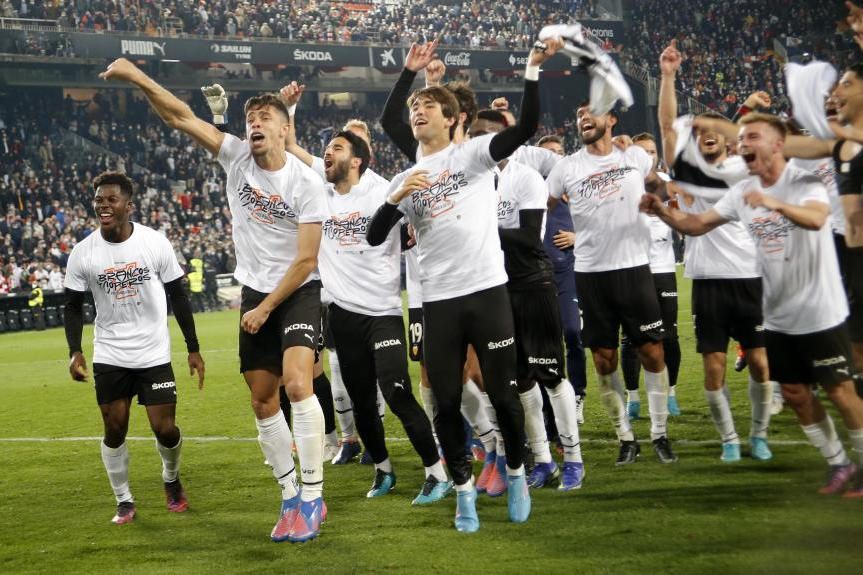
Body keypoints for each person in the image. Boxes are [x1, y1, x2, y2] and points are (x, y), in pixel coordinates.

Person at [101, 58, 328, 543]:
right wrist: (137, 76)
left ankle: (313, 496)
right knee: (262, 401)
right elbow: (180, 116)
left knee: (295, 384)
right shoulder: (237, 158)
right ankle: (288, 496)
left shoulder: (307, 183)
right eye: (251, 121)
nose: (255, 126)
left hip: (296, 291)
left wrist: (266, 307)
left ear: (287, 130)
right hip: (255, 292)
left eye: (266, 119)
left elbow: (307, 262)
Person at [367, 38, 564, 532]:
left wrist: (532, 69)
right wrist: (394, 200)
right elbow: (373, 236)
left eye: (427, 106)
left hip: (487, 291)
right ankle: (462, 492)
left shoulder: (474, 155)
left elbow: (528, 128)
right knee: (446, 402)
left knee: (503, 394)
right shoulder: (409, 174)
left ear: (452, 119)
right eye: (415, 108)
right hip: (437, 300)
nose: (417, 113)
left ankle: (516, 473)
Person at [641, 113, 863, 496]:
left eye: (752, 137)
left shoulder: (804, 181)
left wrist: (773, 203)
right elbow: (697, 224)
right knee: (794, 393)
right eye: (740, 139)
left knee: (841, 391)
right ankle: (839, 462)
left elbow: (816, 218)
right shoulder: (741, 191)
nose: (742, 145)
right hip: (777, 314)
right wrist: (662, 211)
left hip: (819, 310)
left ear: (778, 145)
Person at [63, 171, 205, 525]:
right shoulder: (83, 252)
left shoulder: (154, 243)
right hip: (110, 353)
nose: (103, 205)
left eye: (110, 200)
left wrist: (193, 347)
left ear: (129, 206)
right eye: (98, 199)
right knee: (115, 428)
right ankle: (124, 500)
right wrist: (74, 349)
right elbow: (71, 305)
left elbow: (178, 295)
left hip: (153, 353)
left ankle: (171, 479)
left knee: (165, 429)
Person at [657, 40, 773, 462]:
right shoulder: (685, 173)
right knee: (713, 368)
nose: (706, 136)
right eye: (699, 132)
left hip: (748, 278)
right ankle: (729, 440)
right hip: (706, 282)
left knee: (761, 364)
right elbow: (669, 126)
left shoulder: (742, 169)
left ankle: (758, 434)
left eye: (714, 133)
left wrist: (747, 110)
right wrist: (668, 76)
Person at [547, 102, 677, 466]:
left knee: (652, 351)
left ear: (612, 120)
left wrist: (669, 200)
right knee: (604, 359)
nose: (583, 117)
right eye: (578, 114)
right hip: (590, 274)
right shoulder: (566, 167)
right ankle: (625, 436)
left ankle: (659, 433)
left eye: (592, 113)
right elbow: (538, 205)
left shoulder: (633, 155)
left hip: (635, 269)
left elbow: (661, 187)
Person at [471, 111, 584, 492]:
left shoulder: (525, 178)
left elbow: (532, 236)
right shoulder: (476, 181)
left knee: (551, 376)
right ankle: (543, 459)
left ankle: (573, 459)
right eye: (474, 136)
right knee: (520, 381)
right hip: (497, 290)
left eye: (486, 135)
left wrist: (484, 231)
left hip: (533, 285)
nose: (479, 143)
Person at [619, 132, 683, 421]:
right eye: (641, 151)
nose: (648, 156)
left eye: (652, 151)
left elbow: (686, 220)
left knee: (669, 335)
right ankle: (633, 397)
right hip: (633, 268)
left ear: (658, 155)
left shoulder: (669, 187)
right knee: (631, 338)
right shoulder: (622, 184)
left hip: (664, 269)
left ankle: (671, 393)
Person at [537, 134, 588, 425]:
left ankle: (578, 394)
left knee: (572, 332)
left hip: (568, 271)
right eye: (548, 154)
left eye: (558, 152)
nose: (554, 158)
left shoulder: (575, 188)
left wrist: (577, 237)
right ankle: (551, 403)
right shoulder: (528, 189)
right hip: (537, 276)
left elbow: (599, 221)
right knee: (545, 343)